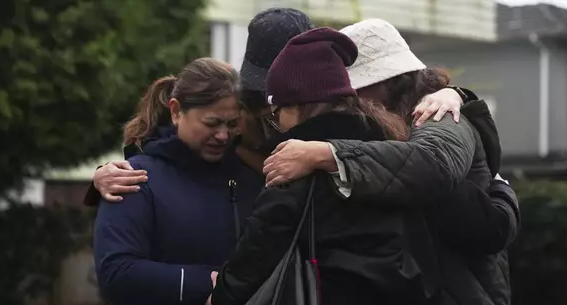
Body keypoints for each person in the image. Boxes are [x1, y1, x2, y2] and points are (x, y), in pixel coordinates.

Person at [260, 18, 517, 305]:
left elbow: (433, 169)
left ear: (389, 82)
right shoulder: (399, 129)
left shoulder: (440, 116)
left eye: (355, 89)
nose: (347, 101)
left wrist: (328, 153)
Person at [209, 27, 420, 305]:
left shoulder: (295, 160)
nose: (276, 125)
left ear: (300, 105)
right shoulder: (388, 148)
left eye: (278, 113)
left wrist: (222, 295)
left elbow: (262, 244)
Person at [84, 9, 468, 205]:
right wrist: (103, 177)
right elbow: (163, 142)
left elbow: (404, 164)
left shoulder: (346, 119)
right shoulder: (233, 105)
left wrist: (458, 96)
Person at [93, 58, 264, 305]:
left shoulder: (252, 177)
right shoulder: (134, 179)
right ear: (175, 111)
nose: (223, 135)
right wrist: (207, 284)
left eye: (231, 124)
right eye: (212, 122)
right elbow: (115, 273)